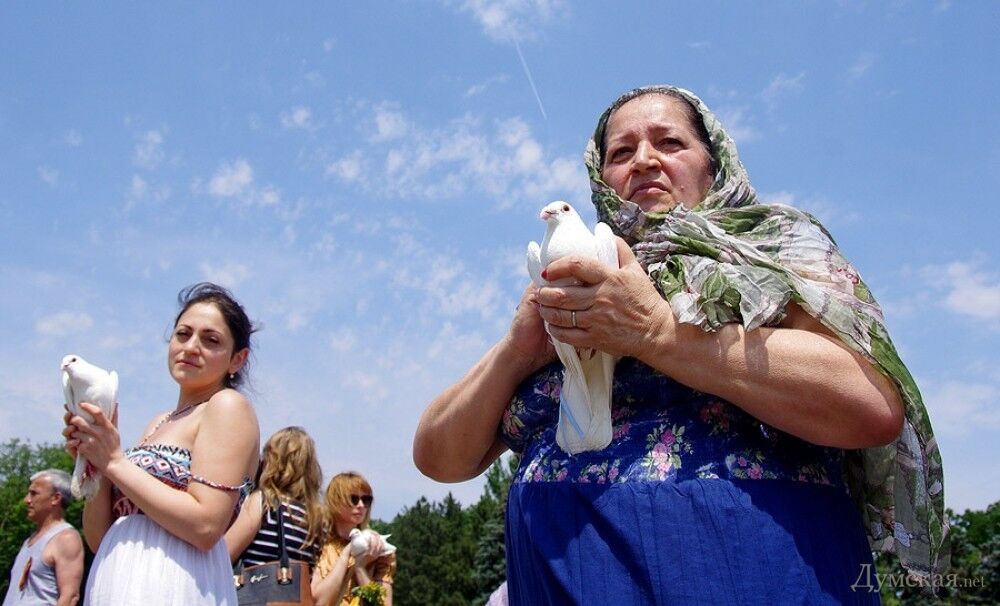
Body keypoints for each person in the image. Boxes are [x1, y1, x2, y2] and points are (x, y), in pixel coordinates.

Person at [414, 85, 947, 604]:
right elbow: (440, 458)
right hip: (554, 577)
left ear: (713, 164)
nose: (644, 160)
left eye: (670, 143)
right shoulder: (575, 283)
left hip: (757, 572)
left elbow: (870, 406)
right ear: (601, 181)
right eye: (621, 152)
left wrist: (655, 334)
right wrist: (516, 352)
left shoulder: (774, 248)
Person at [63, 282, 260, 605]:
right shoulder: (158, 422)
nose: (192, 346)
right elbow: (99, 537)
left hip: (174, 583)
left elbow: (206, 525)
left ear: (237, 360)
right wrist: (94, 462)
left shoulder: (227, 406)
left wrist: (116, 462)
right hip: (116, 579)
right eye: (183, 334)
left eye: (211, 340)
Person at [225, 426, 325, 568]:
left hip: (252, 588)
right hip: (295, 590)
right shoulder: (316, 518)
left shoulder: (265, 502)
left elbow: (225, 555)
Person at [311, 472, 395, 606]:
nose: (361, 505)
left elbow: (383, 604)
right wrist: (346, 555)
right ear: (335, 501)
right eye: (353, 499)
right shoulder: (318, 544)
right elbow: (318, 602)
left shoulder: (379, 548)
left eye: (366, 500)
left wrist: (361, 569)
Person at [2, 469, 83, 606]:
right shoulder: (29, 541)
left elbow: (69, 596)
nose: (26, 500)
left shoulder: (66, 538)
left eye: (34, 493)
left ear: (56, 498)